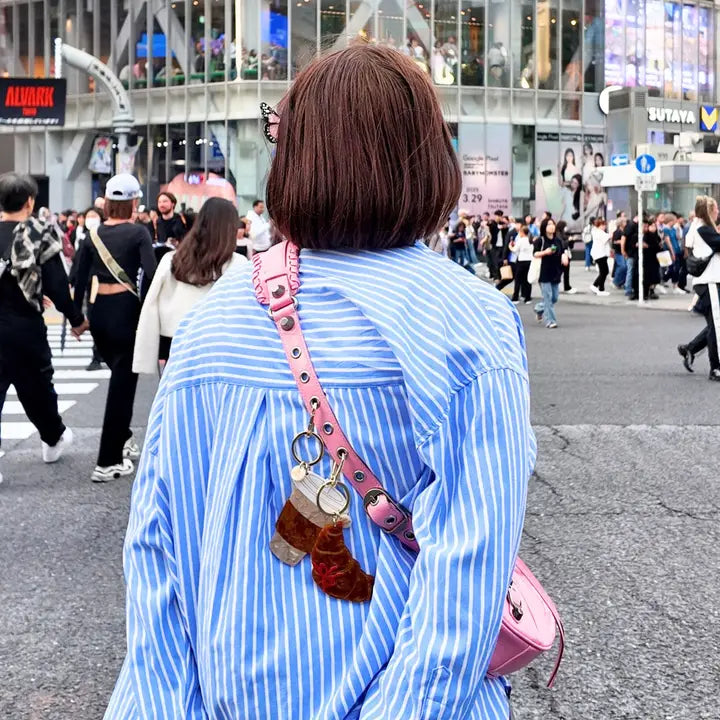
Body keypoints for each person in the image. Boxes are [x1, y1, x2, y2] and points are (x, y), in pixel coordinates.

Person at [105, 44, 534, 720]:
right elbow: (470, 566)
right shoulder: (467, 318)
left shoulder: (215, 319)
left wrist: (161, 703)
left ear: (293, 158)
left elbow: (159, 541)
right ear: (428, 159)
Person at [0, 173, 88, 483]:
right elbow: (57, 285)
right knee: (38, 388)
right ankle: (52, 437)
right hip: (25, 327)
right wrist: (76, 319)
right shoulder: (38, 233)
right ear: (29, 201)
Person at [73, 174, 157, 482]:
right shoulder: (138, 233)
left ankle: (122, 438)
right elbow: (151, 274)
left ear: (107, 202)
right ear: (134, 203)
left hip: (99, 315)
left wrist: (77, 319)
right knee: (122, 388)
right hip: (126, 313)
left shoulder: (92, 235)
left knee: (120, 378)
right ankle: (107, 462)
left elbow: (78, 279)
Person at [133, 198, 247, 376]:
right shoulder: (239, 264)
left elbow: (151, 304)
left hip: (175, 340)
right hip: (221, 344)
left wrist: (145, 355)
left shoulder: (174, 259)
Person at [678, 196, 720, 381]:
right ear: (709, 211)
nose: (718, 211)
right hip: (710, 281)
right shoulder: (704, 229)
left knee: (715, 323)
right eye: (716, 208)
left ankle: (690, 349)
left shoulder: (697, 228)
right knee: (716, 325)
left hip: (707, 281)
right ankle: (716, 368)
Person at [534, 217, 564, 329]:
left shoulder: (558, 240)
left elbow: (562, 251)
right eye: (549, 224)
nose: (551, 226)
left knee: (554, 298)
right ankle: (550, 321)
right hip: (544, 272)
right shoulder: (540, 240)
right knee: (548, 297)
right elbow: (535, 254)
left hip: (556, 272)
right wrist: (545, 252)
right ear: (544, 227)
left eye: (553, 224)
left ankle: (539, 308)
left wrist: (564, 256)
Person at [510, 224, 534, 303]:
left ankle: (515, 297)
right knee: (527, 280)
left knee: (518, 280)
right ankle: (528, 298)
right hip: (530, 261)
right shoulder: (531, 240)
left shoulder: (521, 240)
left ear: (522, 232)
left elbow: (514, 250)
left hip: (521, 261)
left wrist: (510, 246)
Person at [589, 217, 612, 296]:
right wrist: (611, 234)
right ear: (599, 225)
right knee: (604, 271)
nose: (604, 226)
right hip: (600, 254)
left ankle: (595, 285)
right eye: (603, 225)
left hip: (600, 254)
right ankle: (600, 289)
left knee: (604, 271)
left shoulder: (597, 232)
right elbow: (606, 237)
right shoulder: (599, 232)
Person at [556, 219, 576, 294]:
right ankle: (560, 286)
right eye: (565, 226)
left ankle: (567, 286)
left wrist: (571, 241)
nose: (566, 228)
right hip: (561, 255)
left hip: (566, 254)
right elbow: (561, 244)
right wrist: (568, 240)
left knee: (565, 272)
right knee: (560, 271)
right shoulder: (558, 234)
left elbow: (570, 246)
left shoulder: (564, 234)